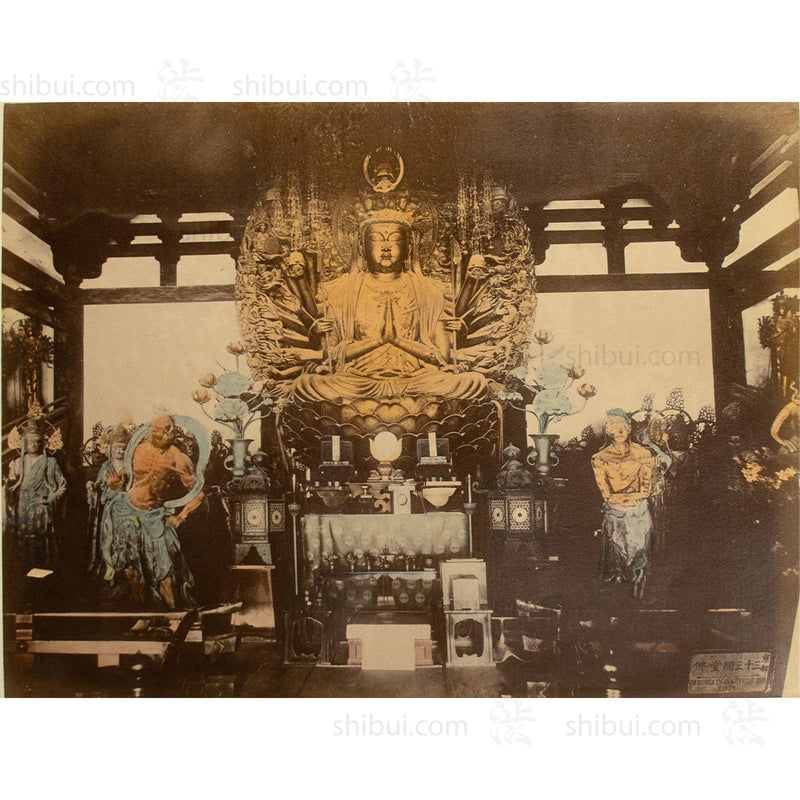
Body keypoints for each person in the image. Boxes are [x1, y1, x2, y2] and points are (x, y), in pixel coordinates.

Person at [291, 216, 487, 402]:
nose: (386, 247)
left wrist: (397, 340)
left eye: (395, 239)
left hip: (417, 379)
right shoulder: (343, 292)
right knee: (307, 384)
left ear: (409, 247)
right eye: (376, 239)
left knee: (472, 382)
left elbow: (442, 356)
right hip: (358, 380)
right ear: (362, 247)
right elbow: (330, 355)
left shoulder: (429, 292)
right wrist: (379, 341)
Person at [99, 414, 203, 608]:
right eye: (161, 428)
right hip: (126, 510)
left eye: (170, 428)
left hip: (154, 515)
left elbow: (198, 493)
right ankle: (145, 614)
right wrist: (116, 485)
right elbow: (126, 479)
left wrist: (181, 516)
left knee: (164, 568)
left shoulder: (178, 458)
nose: (167, 433)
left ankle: (173, 615)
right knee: (131, 566)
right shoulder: (138, 449)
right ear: (152, 430)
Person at [592, 409, 655, 596]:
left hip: (638, 507)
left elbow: (646, 487)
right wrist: (619, 501)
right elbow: (605, 492)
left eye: (622, 428)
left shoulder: (643, 454)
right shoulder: (600, 458)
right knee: (616, 536)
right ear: (608, 431)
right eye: (614, 428)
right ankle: (617, 579)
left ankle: (639, 578)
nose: (619, 432)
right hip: (615, 508)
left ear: (629, 429)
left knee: (640, 540)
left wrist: (634, 500)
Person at [4, 418, 67, 575]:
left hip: (41, 504)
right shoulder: (17, 462)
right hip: (22, 505)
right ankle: (23, 570)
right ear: (23, 443)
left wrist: (51, 499)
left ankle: (42, 569)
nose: (33, 444)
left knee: (41, 536)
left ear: (43, 443)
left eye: (37, 441)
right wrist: (8, 484)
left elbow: (63, 486)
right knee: (22, 535)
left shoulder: (50, 462)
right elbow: (12, 484)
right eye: (30, 441)